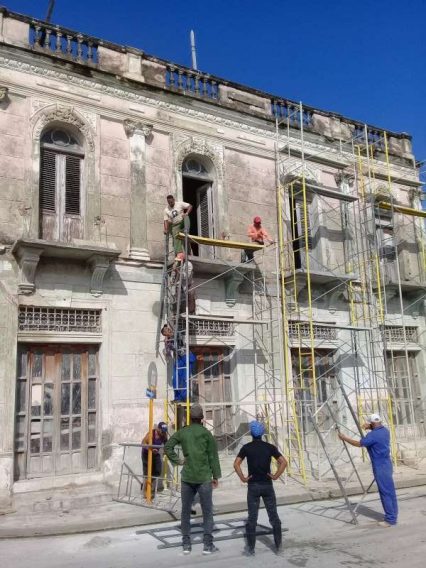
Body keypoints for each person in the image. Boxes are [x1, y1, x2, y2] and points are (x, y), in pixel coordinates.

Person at [164, 404, 221, 555]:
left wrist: (179, 461)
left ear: (189, 418)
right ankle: (207, 545)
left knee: (185, 511)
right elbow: (213, 457)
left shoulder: (183, 432)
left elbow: (168, 446)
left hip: (187, 477)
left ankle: (186, 545)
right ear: (202, 419)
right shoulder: (206, 434)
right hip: (203, 478)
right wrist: (216, 476)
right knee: (208, 511)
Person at [233, 420, 287, 556]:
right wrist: (275, 476)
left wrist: (243, 478)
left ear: (251, 433)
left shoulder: (246, 448)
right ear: (262, 433)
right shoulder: (269, 447)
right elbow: (283, 462)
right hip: (267, 485)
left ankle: (250, 549)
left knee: (252, 518)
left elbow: (236, 464)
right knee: (273, 516)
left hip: (253, 486)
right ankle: (278, 546)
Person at [338, 413, 398, 527]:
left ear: (371, 423)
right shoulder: (385, 431)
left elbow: (358, 443)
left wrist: (344, 438)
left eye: (370, 424)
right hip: (387, 464)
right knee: (390, 492)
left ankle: (390, 519)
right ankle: (393, 516)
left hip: (380, 466)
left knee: (385, 492)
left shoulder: (373, 436)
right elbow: (376, 427)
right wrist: (369, 426)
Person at [141, 421, 168, 494]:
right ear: (158, 429)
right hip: (146, 454)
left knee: (157, 471)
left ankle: (146, 485)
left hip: (155, 454)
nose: (163, 433)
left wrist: (166, 451)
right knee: (147, 473)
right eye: (162, 431)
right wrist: (151, 449)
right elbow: (143, 443)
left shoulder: (164, 435)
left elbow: (167, 445)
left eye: (164, 432)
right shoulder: (151, 434)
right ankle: (146, 491)